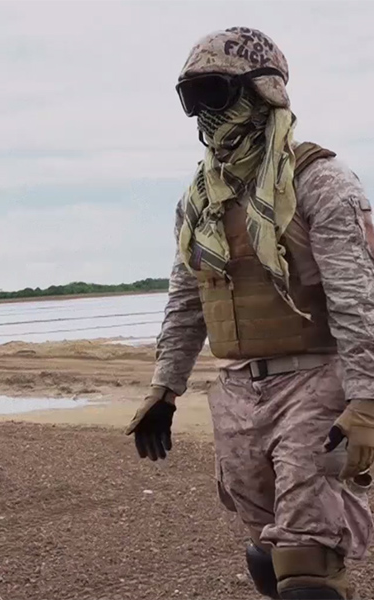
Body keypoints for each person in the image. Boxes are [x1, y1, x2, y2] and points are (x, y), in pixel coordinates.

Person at [124, 27, 374, 600]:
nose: (204, 114)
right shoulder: (202, 200)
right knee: (266, 554)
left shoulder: (319, 181)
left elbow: (357, 298)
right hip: (239, 391)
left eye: (215, 93)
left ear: (262, 93)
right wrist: (165, 388)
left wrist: (366, 399)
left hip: (317, 384)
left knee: (306, 565)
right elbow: (189, 298)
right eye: (192, 99)